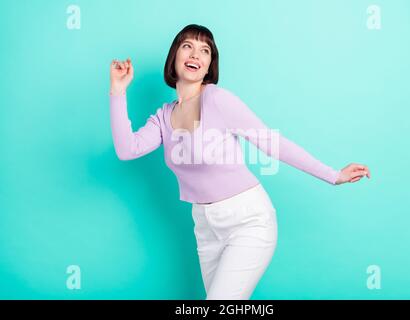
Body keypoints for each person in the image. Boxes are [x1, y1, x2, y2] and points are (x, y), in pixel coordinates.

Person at [109, 24, 371, 300]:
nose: (195, 54)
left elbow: (271, 143)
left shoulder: (218, 101)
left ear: (210, 65)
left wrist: (333, 175)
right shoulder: (164, 116)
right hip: (205, 228)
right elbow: (128, 149)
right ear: (174, 56)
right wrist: (118, 92)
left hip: (248, 220)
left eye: (205, 50)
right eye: (188, 46)